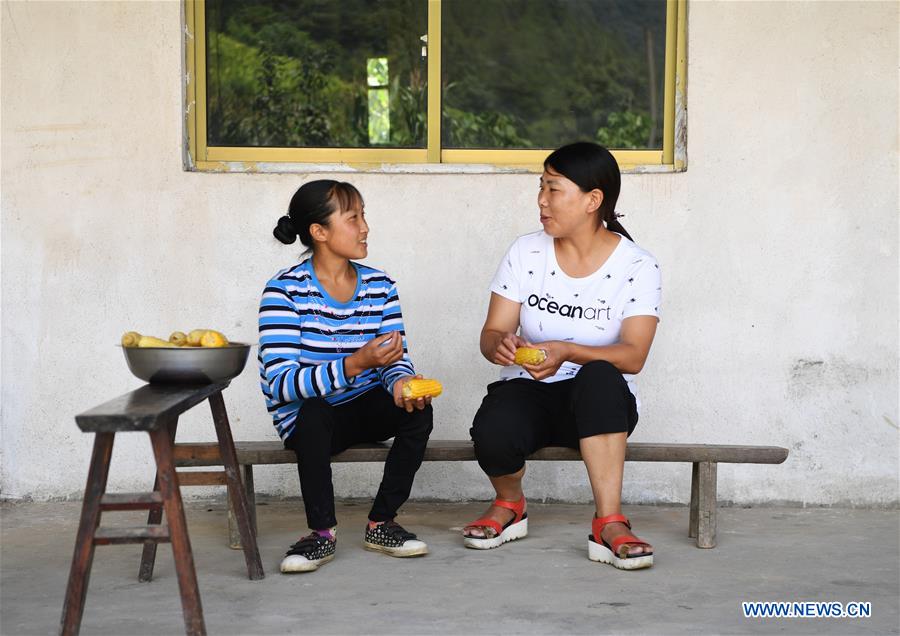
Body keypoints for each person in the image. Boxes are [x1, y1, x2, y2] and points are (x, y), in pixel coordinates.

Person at [462, 142, 661, 570]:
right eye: (541, 187)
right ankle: (510, 504)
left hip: (598, 406)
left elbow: (634, 355)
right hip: (532, 389)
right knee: (493, 427)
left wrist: (571, 350)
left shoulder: (637, 266)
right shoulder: (525, 252)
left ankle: (609, 522)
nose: (541, 200)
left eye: (553, 189)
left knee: (600, 375)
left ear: (593, 200)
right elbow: (492, 332)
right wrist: (499, 343)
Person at [259, 180, 435, 574]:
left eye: (363, 215)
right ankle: (321, 533)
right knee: (315, 413)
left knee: (418, 411)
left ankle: (381, 523)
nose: (365, 227)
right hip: (309, 420)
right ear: (319, 232)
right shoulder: (284, 292)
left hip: (362, 407)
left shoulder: (380, 285)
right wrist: (354, 364)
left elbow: (393, 358)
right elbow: (282, 384)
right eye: (352, 218)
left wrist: (401, 383)